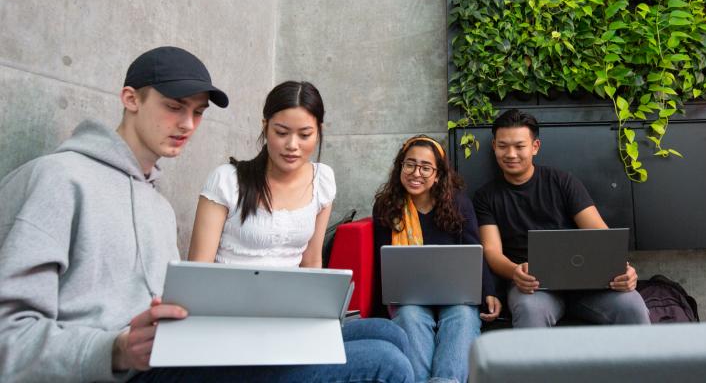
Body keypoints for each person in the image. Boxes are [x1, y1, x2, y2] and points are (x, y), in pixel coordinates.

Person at [0, 47, 413, 383]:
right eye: (174, 107)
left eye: (197, 112)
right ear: (130, 99)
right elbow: (9, 338)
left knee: (388, 334)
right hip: (128, 366)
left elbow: (183, 300)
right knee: (384, 362)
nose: (187, 124)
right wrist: (116, 350)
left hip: (185, 345)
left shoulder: (156, 205)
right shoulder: (58, 179)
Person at [186, 79, 412, 376]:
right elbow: (196, 276)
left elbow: (311, 261)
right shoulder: (227, 180)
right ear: (265, 126)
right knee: (388, 361)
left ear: (319, 131)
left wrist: (318, 321)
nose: (292, 145)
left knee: (392, 334)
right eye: (281, 133)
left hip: (290, 320)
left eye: (304, 134)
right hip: (237, 325)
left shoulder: (322, 180)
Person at [473, 109, 650, 328]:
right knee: (530, 309)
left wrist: (624, 269)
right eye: (502, 146)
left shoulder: (562, 182)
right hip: (532, 286)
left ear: (535, 147)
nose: (510, 154)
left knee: (631, 305)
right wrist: (515, 272)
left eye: (519, 146)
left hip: (586, 282)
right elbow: (491, 252)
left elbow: (601, 235)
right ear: (494, 147)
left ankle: (640, 364)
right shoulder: (485, 196)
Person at [372, 136, 501, 383]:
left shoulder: (459, 204)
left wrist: (489, 292)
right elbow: (385, 261)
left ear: (438, 175)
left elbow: (474, 249)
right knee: (410, 316)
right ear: (400, 167)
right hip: (408, 295)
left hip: (455, 294)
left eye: (425, 167)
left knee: (463, 316)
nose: (415, 173)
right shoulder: (387, 206)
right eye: (409, 164)